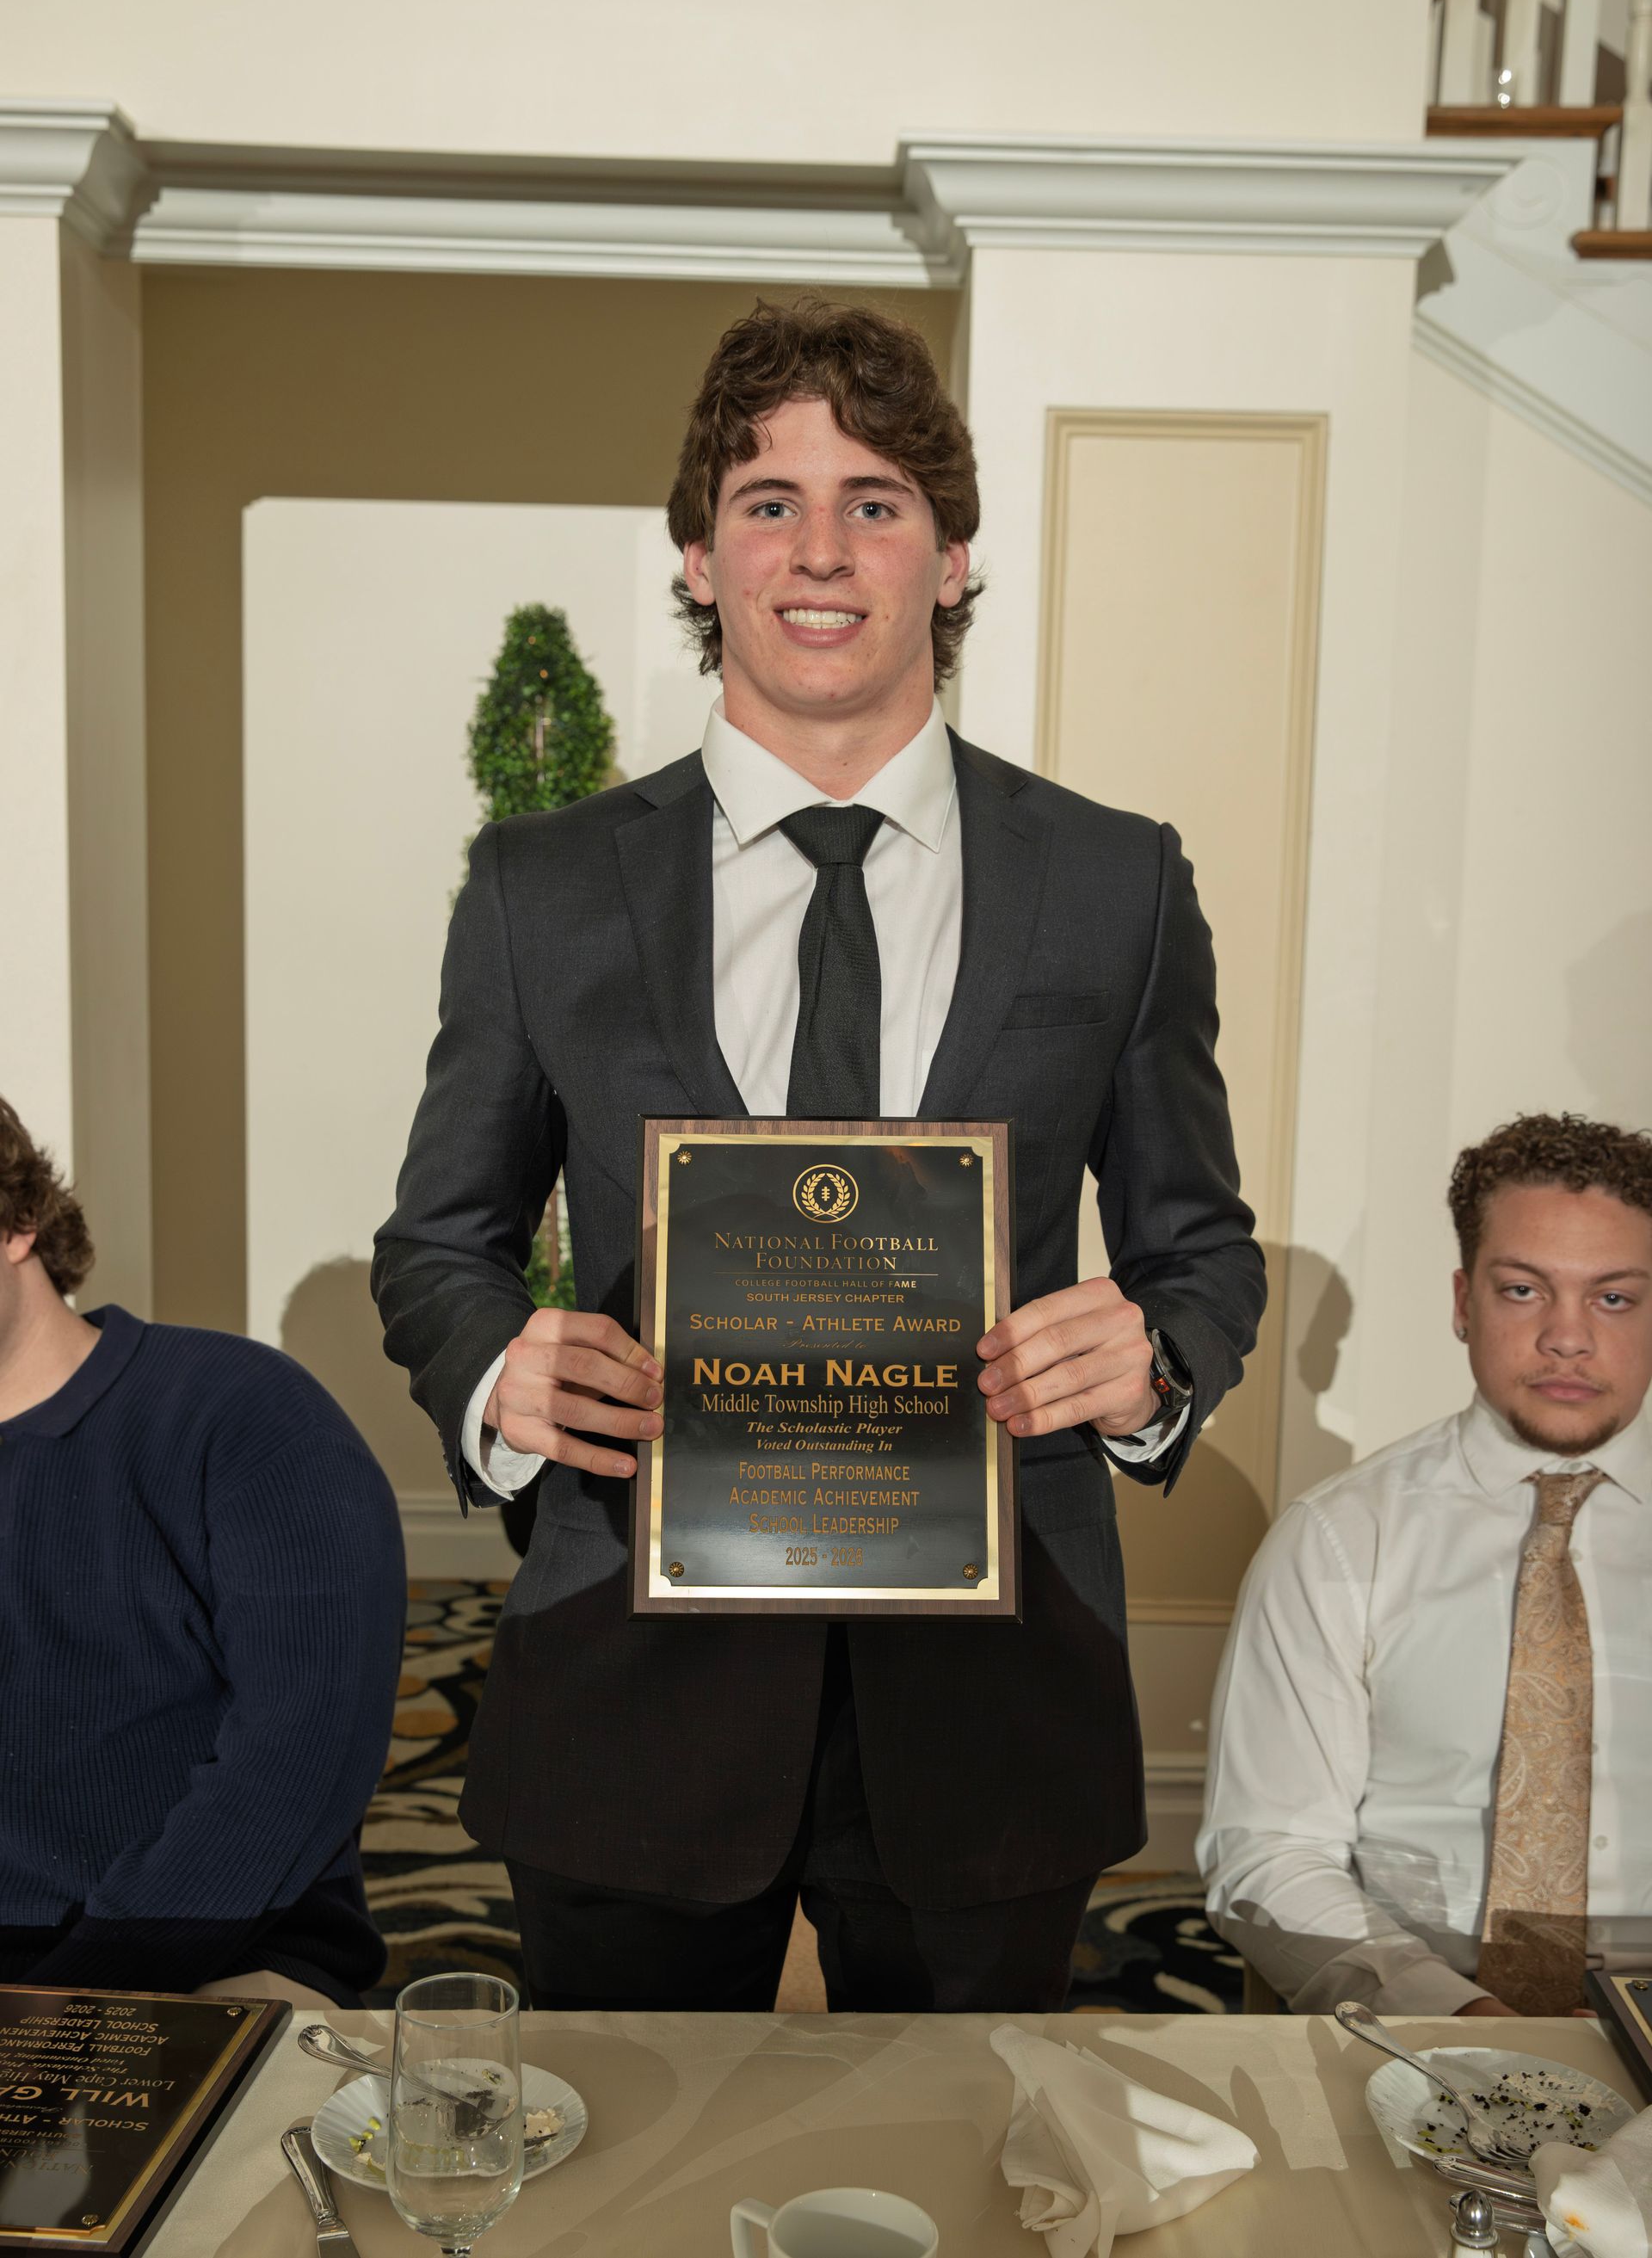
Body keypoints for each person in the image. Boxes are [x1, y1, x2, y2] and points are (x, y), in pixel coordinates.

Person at [373, 297, 1264, 2013]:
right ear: (701, 558)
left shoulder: (1115, 879)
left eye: (876, 499)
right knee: (616, 2178)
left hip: (996, 1687)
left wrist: (1153, 1349)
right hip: (631, 1664)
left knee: (982, 2170)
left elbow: (1200, 1244)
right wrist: (500, 1367)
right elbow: (441, 1240)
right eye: (766, 501)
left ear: (951, 553)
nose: (821, 549)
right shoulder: (542, 884)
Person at [1199, 1112, 1652, 2016]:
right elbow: (1270, 1850)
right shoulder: (1337, 1539)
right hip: (1419, 2028)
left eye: (1614, 1298)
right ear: (1462, 1302)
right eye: (1524, 1291)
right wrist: (1450, 2013)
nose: (1568, 1337)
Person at [0, 1096, 405, 2009]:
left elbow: (302, 1759)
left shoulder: (244, 1418)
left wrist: (70, 2004)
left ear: (19, 1222)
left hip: (203, 1955)